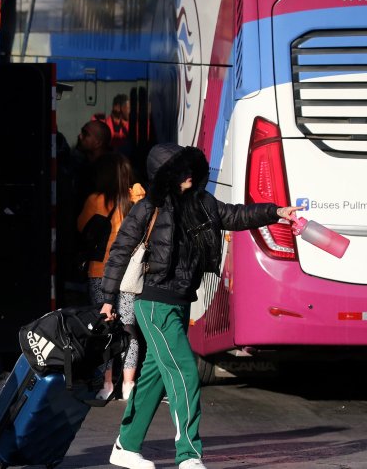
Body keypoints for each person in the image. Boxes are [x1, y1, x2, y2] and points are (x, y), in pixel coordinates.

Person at [99, 144, 303, 469]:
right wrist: (107, 299)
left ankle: (126, 446)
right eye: (180, 171)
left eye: (189, 168)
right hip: (154, 303)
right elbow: (120, 251)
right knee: (185, 372)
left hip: (178, 303)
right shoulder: (148, 207)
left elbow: (235, 215)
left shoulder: (202, 203)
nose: (189, 175)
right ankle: (188, 457)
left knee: (154, 375)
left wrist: (275, 212)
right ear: (165, 176)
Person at [76, 152, 145, 401]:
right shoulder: (136, 199)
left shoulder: (96, 200)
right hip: (129, 274)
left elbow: (81, 226)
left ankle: (105, 384)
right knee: (128, 327)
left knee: (103, 327)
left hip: (100, 273)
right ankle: (129, 384)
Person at [71, 119, 112, 215]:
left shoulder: (107, 172)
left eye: (86, 134)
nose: (80, 136)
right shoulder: (81, 165)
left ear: (98, 143)